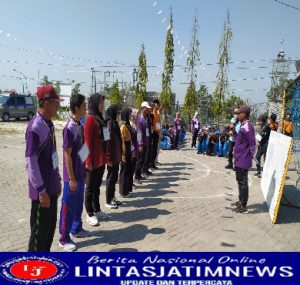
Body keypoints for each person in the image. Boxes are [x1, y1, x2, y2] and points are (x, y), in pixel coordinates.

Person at [25, 85, 63, 252]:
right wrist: (41, 191)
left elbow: (53, 154)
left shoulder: (49, 124)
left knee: (48, 234)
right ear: (46, 103)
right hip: (43, 194)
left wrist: (58, 178)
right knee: (38, 240)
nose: (58, 106)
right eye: (56, 103)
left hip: (52, 190)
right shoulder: (35, 127)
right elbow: (30, 162)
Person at [59, 94, 90, 252]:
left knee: (78, 204)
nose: (85, 108)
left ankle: (76, 228)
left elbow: (83, 148)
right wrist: (71, 179)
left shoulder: (80, 125)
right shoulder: (69, 128)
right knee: (68, 206)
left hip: (80, 173)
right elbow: (67, 155)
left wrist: (85, 165)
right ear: (77, 108)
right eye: (84, 105)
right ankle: (63, 238)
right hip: (71, 177)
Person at [84, 93, 109, 226]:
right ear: (94, 103)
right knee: (90, 188)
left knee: (97, 187)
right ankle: (89, 213)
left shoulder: (99, 118)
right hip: (92, 161)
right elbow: (86, 143)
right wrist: (87, 162)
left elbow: (105, 138)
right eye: (101, 103)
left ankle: (97, 209)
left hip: (101, 160)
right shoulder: (89, 119)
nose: (102, 105)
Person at [232, 105, 256, 214]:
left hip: (243, 158)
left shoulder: (248, 126)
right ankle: (240, 199)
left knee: (243, 182)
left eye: (239, 114)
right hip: (238, 157)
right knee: (239, 180)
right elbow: (239, 140)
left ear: (244, 115)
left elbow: (252, 144)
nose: (237, 115)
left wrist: (249, 156)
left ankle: (243, 205)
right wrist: (234, 132)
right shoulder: (242, 125)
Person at [105, 104, 122, 209]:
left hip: (116, 156)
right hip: (111, 157)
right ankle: (108, 200)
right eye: (118, 112)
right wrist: (108, 157)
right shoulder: (109, 124)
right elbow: (107, 141)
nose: (119, 114)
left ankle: (112, 197)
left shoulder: (115, 123)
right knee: (110, 178)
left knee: (115, 177)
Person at [135, 102, 152, 184]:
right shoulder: (139, 118)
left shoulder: (145, 118)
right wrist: (140, 144)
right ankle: (136, 177)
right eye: (146, 108)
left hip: (145, 141)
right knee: (140, 160)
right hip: (140, 143)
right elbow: (138, 132)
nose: (148, 109)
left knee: (143, 159)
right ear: (143, 108)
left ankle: (139, 175)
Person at [119, 108, 134, 197]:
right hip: (125, 149)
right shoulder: (123, 126)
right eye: (129, 114)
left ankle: (127, 189)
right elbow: (122, 142)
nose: (130, 115)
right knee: (124, 171)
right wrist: (123, 155)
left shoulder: (128, 125)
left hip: (129, 148)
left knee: (128, 170)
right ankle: (122, 191)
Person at [254, 114, 271, 178]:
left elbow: (264, 136)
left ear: (263, 121)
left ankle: (265, 174)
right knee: (257, 157)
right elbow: (260, 135)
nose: (259, 122)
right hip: (261, 145)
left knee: (265, 160)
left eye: (260, 121)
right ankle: (258, 170)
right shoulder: (261, 127)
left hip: (265, 145)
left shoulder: (267, 127)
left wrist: (259, 142)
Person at [150, 99, 162, 169]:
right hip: (153, 132)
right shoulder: (152, 112)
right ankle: (152, 162)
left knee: (156, 149)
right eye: (155, 104)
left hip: (157, 131)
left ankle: (154, 162)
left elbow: (161, 109)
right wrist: (154, 108)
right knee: (153, 149)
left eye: (157, 104)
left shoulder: (157, 112)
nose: (157, 106)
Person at [130, 109, 139, 186]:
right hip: (131, 149)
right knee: (130, 166)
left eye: (136, 116)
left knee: (134, 165)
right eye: (133, 116)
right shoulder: (129, 124)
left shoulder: (136, 124)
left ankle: (131, 182)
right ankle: (129, 182)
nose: (135, 117)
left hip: (136, 147)